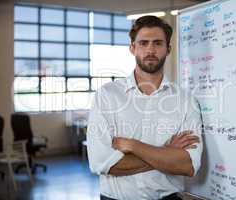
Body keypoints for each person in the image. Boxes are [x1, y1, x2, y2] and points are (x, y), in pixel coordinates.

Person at [87, 15, 203, 200]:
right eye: (143, 43)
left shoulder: (186, 101)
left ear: (168, 49)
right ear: (132, 48)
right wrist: (166, 151)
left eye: (157, 43)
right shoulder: (107, 96)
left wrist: (133, 146)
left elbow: (187, 166)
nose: (150, 49)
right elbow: (101, 163)